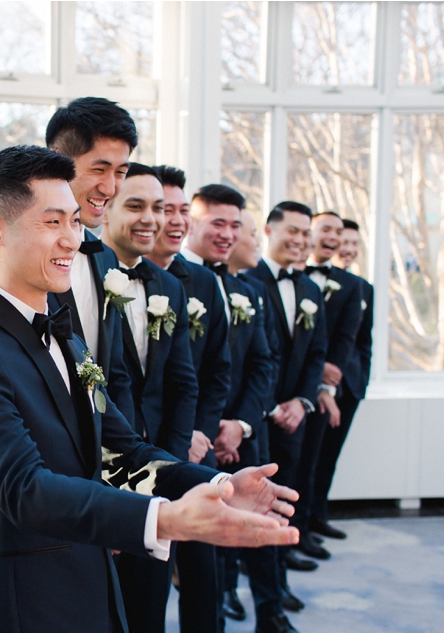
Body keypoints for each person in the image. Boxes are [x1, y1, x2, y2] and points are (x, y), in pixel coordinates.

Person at [0, 144, 300, 632]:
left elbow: (126, 451)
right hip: (29, 608)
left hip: (98, 593)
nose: (72, 239)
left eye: (74, 221)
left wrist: (216, 485)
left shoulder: (70, 338)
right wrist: (166, 519)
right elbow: (25, 491)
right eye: (51, 222)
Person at [0, 97, 138, 424]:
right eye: (99, 169)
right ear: (59, 161)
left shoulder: (106, 256)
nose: (110, 187)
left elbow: (116, 371)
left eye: (120, 172)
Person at [98, 163, 200, 632]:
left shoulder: (171, 287)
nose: (151, 219)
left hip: (157, 475)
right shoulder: (81, 276)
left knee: (148, 610)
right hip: (96, 481)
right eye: (135, 205)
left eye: (157, 207)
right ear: (106, 209)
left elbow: (183, 386)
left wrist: (170, 469)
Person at [180, 185, 279, 630]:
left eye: (235, 225)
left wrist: (239, 424)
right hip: (189, 438)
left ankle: (267, 612)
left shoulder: (247, 290)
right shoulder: (172, 278)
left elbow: (262, 363)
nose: (227, 233)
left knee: (258, 527)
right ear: (191, 223)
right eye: (217, 222)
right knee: (196, 555)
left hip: (240, 431)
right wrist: (201, 427)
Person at [146, 166, 233, 632]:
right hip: (139, 455)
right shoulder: (110, 279)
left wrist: (200, 430)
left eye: (183, 210)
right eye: (166, 210)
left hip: (193, 447)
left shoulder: (202, 284)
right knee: (147, 580)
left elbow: (217, 370)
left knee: (203, 572)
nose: (176, 220)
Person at [248, 201, 328, 632]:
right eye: (292, 231)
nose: (299, 241)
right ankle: (250, 600)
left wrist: (301, 402)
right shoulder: (248, 279)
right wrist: (269, 406)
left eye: (305, 234)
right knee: (257, 510)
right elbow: (249, 358)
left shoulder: (311, 291)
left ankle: (276, 590)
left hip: (295, 417)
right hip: (256, 419)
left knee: (286, 509)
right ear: (269, 230)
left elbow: (317, 354)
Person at [290, 212, 363, 561]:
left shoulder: (350, 286)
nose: (333, 236)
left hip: (325, 386)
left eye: (339, 231)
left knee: (311, 462)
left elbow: (348, 339)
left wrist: (326, 384)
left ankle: (302, 529)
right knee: (288, 464)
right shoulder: (290, 274)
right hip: (291, 384)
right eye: (325, 230)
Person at [309, 219, 373, 540]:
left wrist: (361, 380)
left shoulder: (361, 287)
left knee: (329, 456)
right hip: (315, 384)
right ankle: (303, 521)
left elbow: (364, 341)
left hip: (350, 384)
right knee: (309, 456)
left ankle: (317, 515)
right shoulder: (308, 277)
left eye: (352, 243)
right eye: (340, 240)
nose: (346, 248)